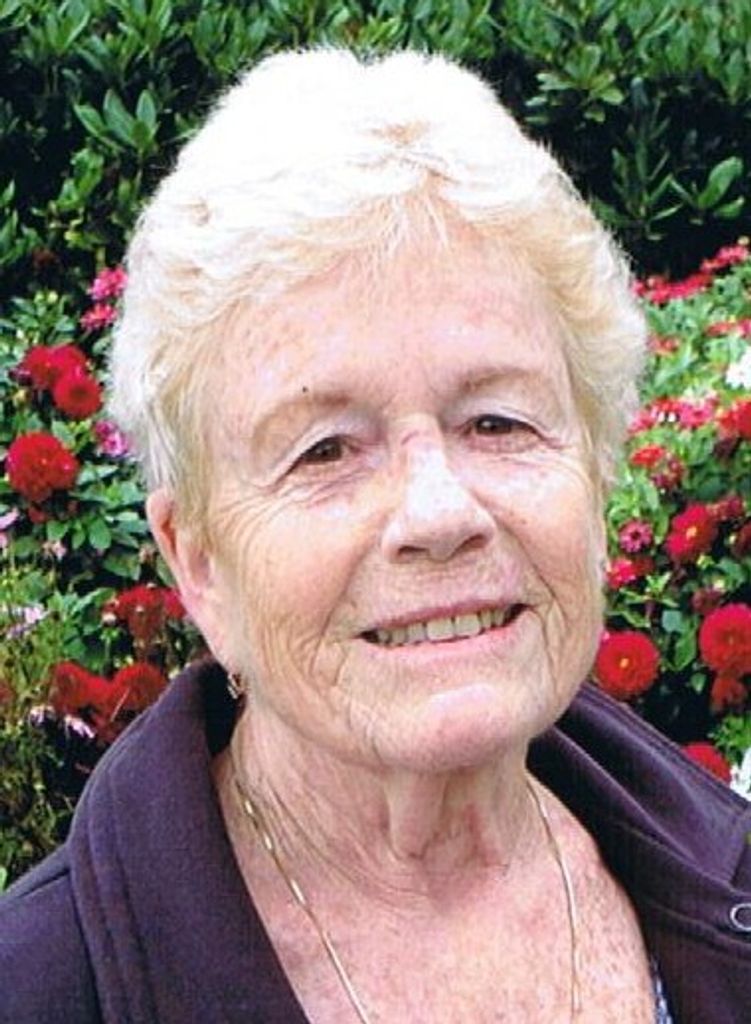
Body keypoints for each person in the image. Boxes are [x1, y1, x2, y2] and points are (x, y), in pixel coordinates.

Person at [1, 48, 749, 1024]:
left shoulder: (720, 888)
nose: (438, 514)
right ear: (199, 561)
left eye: (498, 421)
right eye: (324, 450)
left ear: (597, 472)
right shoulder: (41, 991)